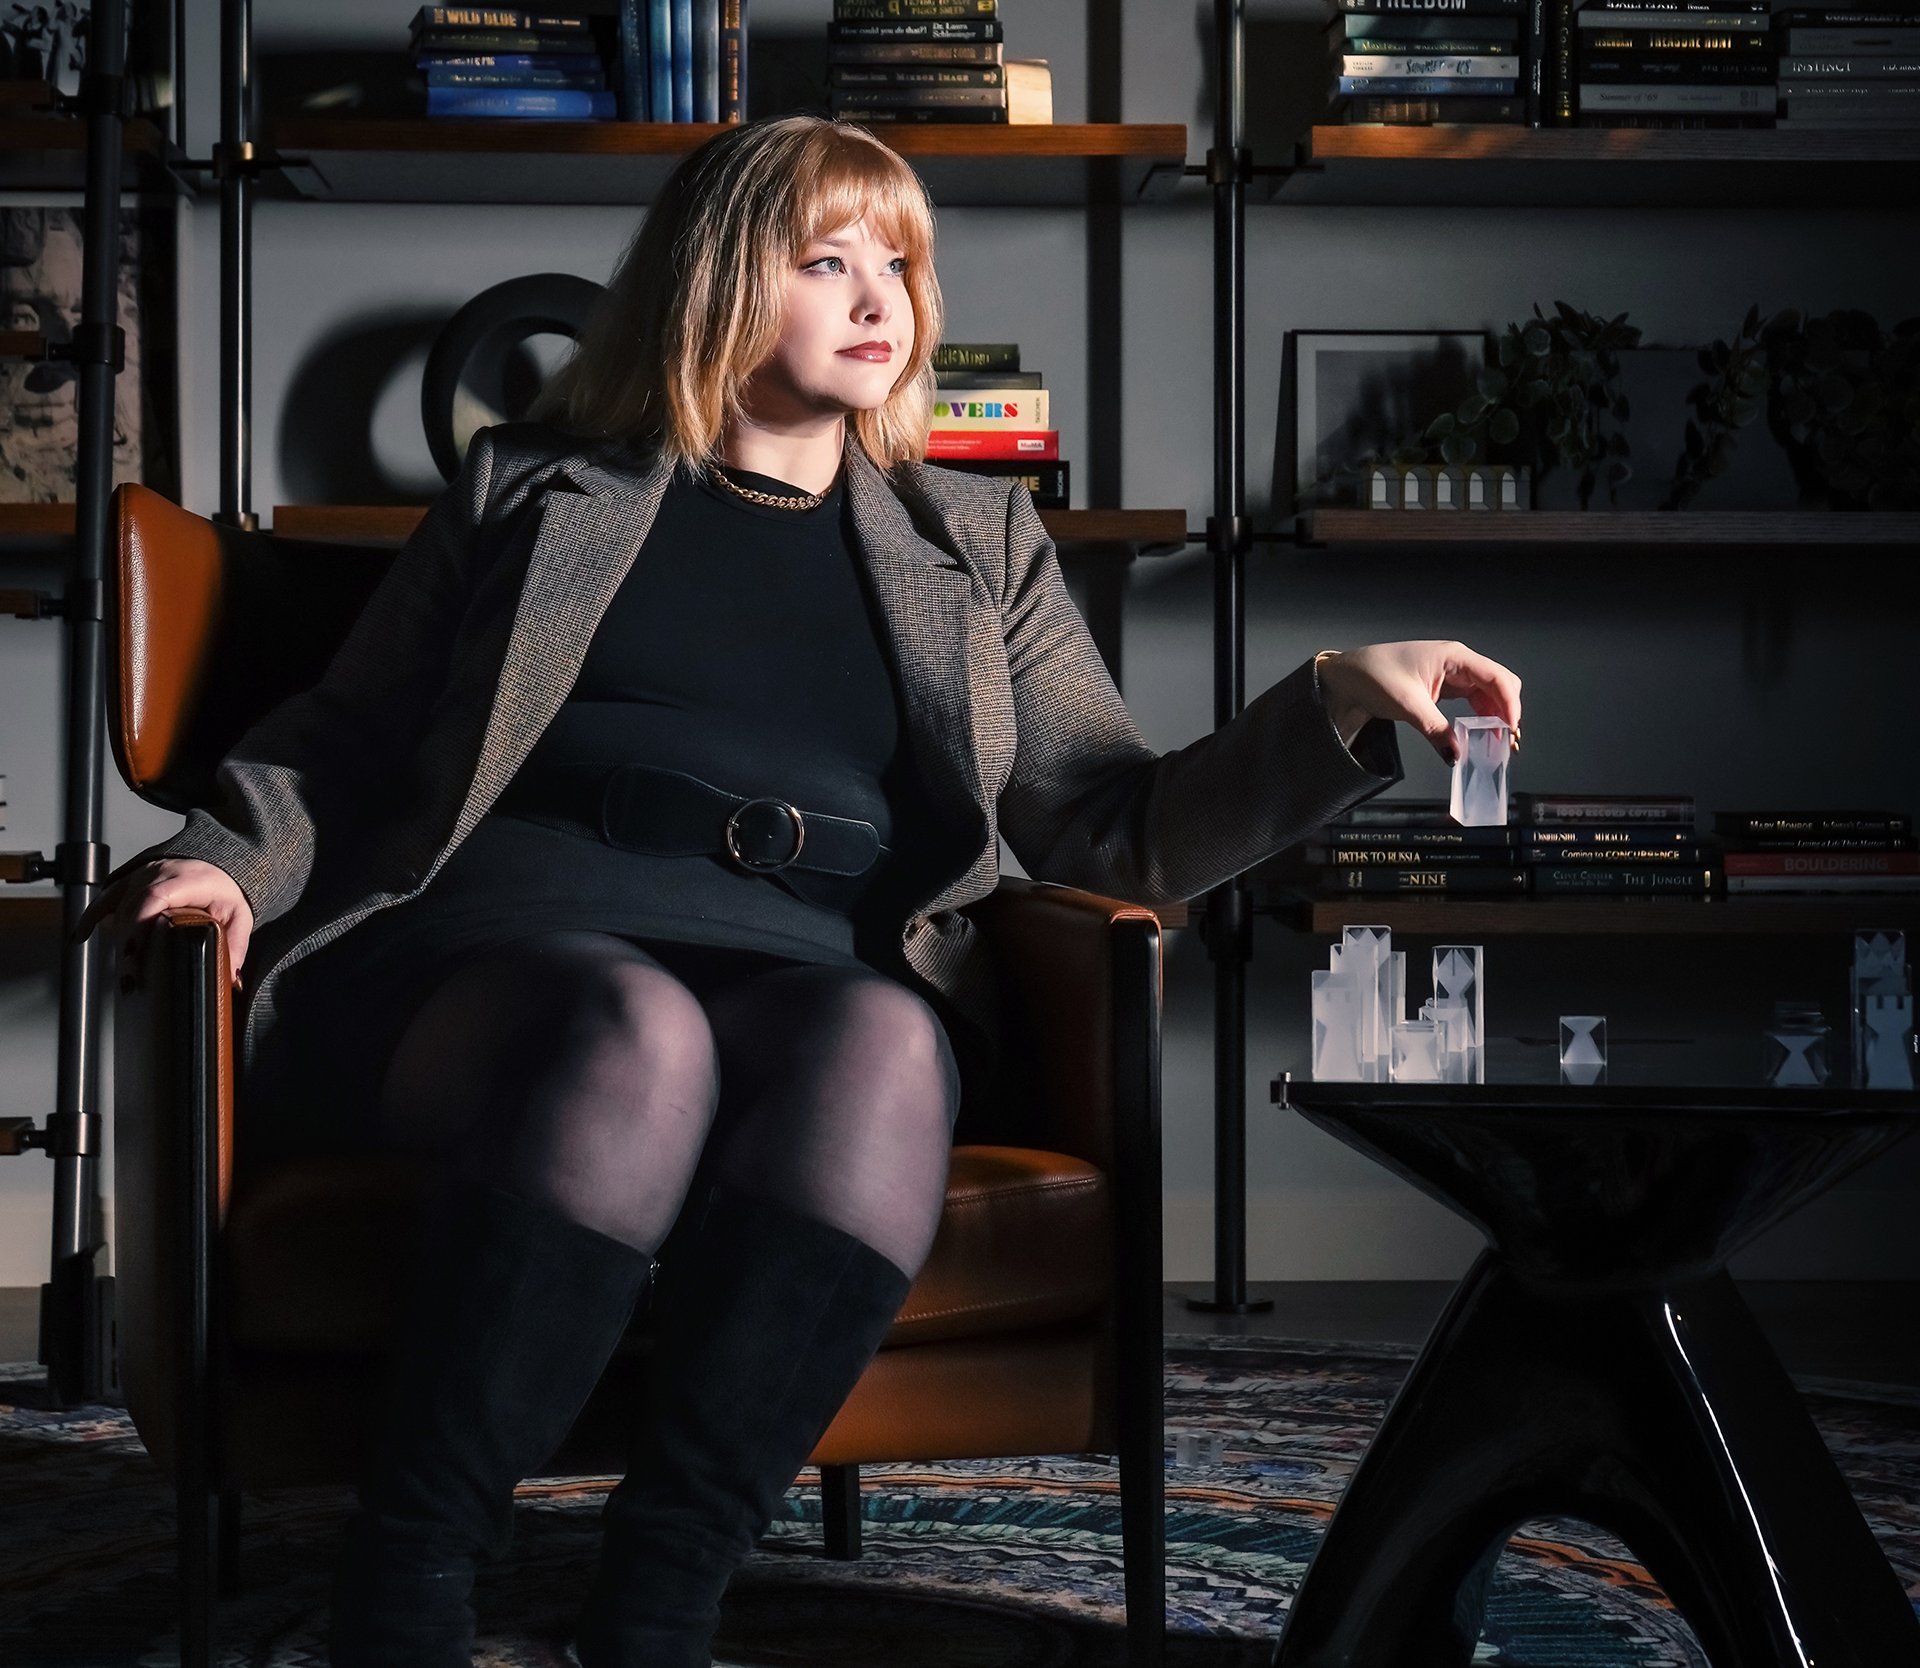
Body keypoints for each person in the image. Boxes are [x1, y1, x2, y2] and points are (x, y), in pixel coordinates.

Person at [84, 116, 1521, 1667]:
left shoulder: (974, 542)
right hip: (500, 956)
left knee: (888, 1048)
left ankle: (661, 1602)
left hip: (805, 969)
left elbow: (1114, 828)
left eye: (897, 261)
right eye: (824, 258)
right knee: (637, 1030)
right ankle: (408, 1580)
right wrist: (220, 859)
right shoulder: (539, 488)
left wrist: (1338, 700)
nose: (876, 295)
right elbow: (344, 737)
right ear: (712, 284)